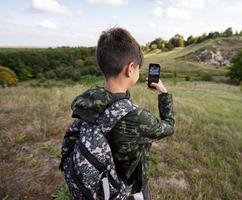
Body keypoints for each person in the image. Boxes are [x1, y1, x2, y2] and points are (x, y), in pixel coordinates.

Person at [61, 27, 175, 200]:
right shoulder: (136, 118)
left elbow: (116, 106)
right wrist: (163, 95)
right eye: (138, 68)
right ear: (130, 69)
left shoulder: (89, 100)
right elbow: (168, 126)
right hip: (127, 191)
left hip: (101, 185)